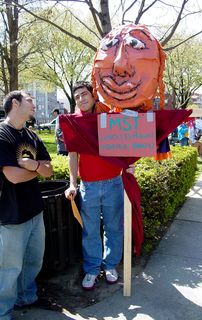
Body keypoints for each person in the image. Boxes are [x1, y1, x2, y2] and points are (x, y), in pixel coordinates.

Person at [64, 81, 134, 290]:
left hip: (114, 182)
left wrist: (129, 165)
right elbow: (72, 156)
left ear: (93, 95)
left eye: (84, 94)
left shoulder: (109, 117)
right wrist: (72, 183)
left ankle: (111, 265)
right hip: (89, 187)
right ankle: (92, 269)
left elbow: (127, 141)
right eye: (77, 97)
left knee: (114, 228)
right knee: (90, 231)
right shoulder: (74, 123)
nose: (81, 99)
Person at [0, 90, 53, 320]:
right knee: (9, 269)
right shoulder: (2, 135)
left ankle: (26, 297)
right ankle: (3, 311)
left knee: (33, 261)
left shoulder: (32, 136)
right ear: (15, 103)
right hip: (11, 215)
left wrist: (34, 167)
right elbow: (12, 176)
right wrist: (37, 169)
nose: (33, 105)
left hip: (34, 210)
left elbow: (49, 171)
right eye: (29, 100)